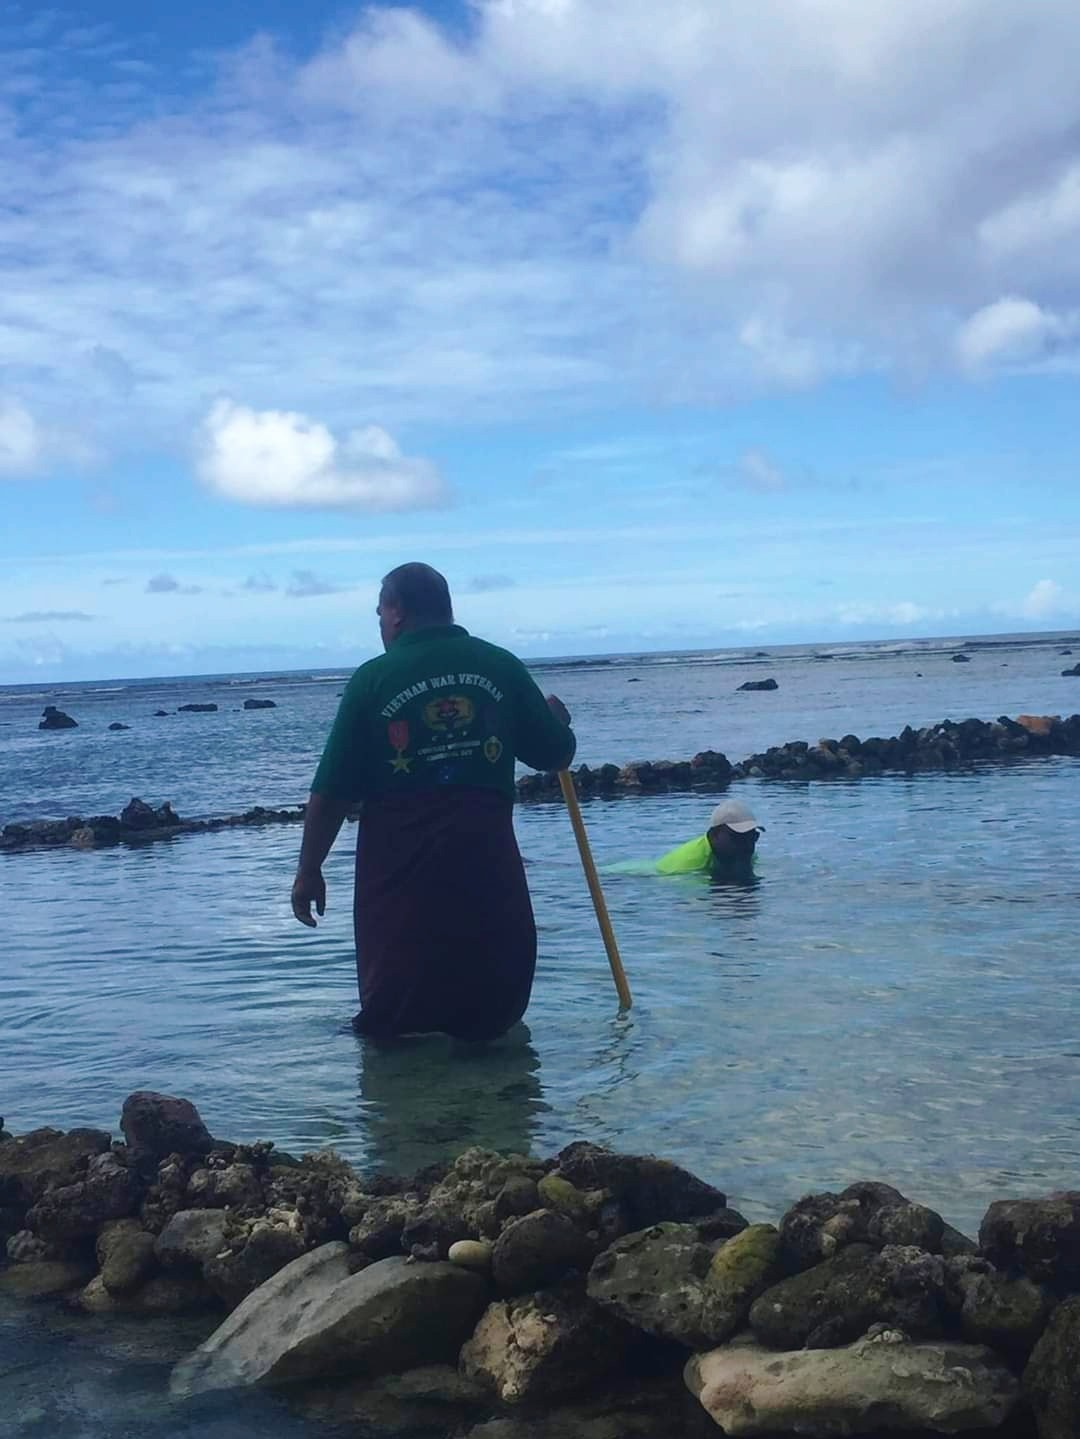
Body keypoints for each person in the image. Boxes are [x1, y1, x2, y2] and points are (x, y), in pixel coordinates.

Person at [291, 562, 575, 1042]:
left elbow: (332, 789)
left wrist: (309, 868)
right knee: (492, 1022)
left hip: (403, 888)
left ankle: (410, 1109)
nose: (380, 623)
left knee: (398, 1027)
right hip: (488, 878)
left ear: (397, 612)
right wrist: (558, 724)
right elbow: (553, 754)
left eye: (380, 612)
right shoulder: (499, 664)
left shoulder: (373, 679)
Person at [653, 798, 763, 877]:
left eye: (753, 836)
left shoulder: (743, 850)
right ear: (714, 835)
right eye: (737, 837)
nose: (747, 844)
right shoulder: (689, 864)